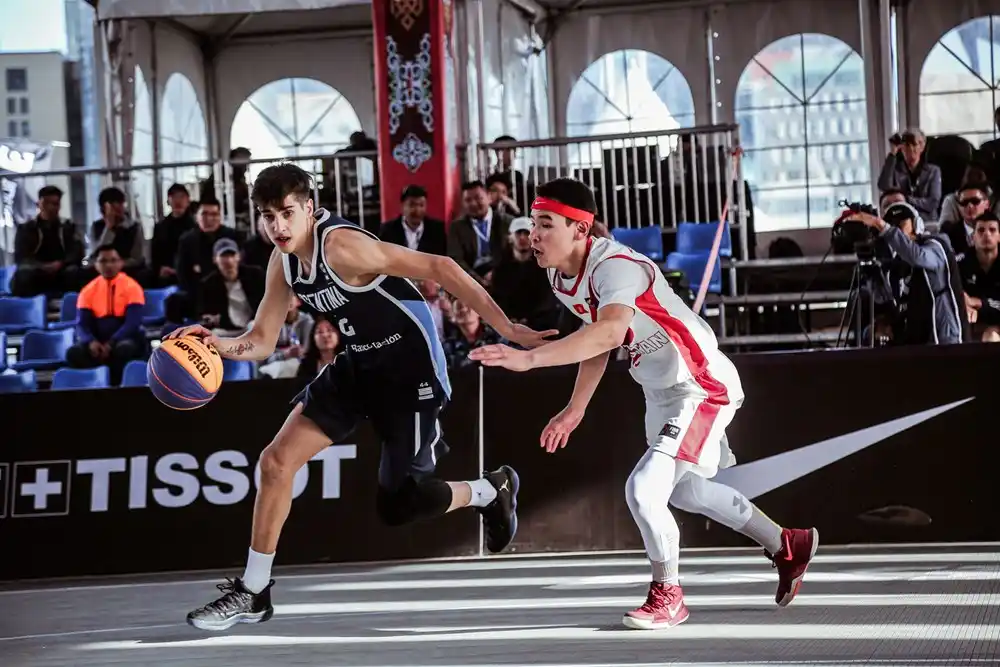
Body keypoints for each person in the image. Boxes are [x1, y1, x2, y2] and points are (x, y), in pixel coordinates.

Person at [170, 163, 556, 632]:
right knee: (275, 462)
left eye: (287, 213)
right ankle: (254, 591)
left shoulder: (344, 247)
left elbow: (442, 266)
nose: (277, 226)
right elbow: (263, 339)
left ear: (309, 208)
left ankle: (491, 490)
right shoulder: (282, 261)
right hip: (357, 366)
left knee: (400, 505)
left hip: (410, 372)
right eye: (267, 216)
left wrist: (509, 328)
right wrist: (214, 343)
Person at [469, 178, 819, 630]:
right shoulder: (560, 277)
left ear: (581, 228)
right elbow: (596, 339)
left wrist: (530, 358)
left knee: (643, 490)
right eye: (533, 224)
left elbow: (612, 331)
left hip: (699, 383)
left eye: (545, 224)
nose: (533, 235)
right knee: (687, 492)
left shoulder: (615, 266)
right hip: (660, 393)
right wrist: (576, 407)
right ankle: (787, 544)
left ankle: (668, 593)